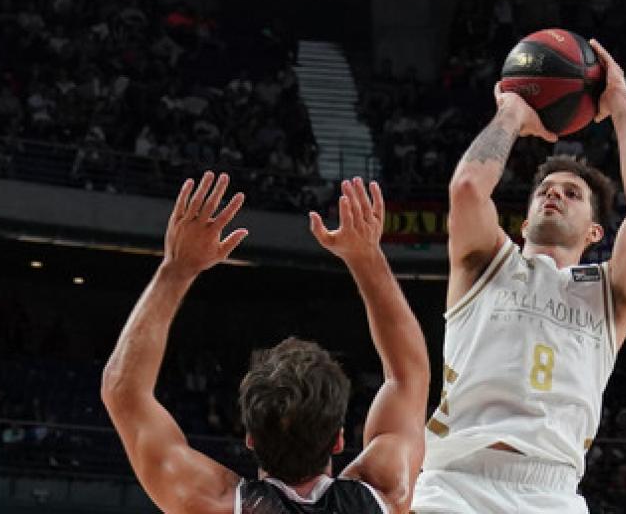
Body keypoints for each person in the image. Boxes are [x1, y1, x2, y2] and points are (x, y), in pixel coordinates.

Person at [411, 39, 626, 513]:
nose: (555, 195)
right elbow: (466, 188)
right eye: (546, 190)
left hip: (551, 491)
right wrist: (512, 112)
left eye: (572, 193)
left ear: (594, 232)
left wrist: (622, 103)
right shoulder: (485, 263)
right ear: (525, 222)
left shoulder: (611, 294)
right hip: (455, 482)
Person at [102, 172, 429, 514]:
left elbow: (123, 390)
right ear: (339, 440)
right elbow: (409, 374)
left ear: (250, 439)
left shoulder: (213, 504)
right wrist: (367, 258)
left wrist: (177, 268)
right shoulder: (385, 491)